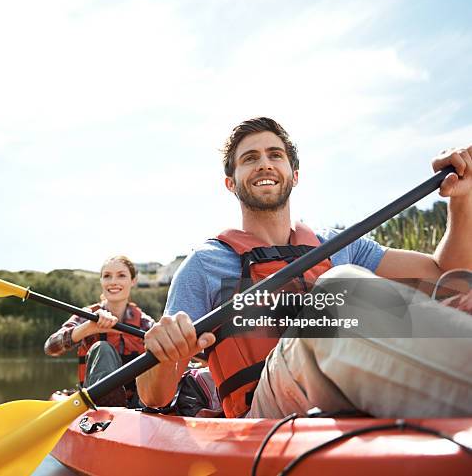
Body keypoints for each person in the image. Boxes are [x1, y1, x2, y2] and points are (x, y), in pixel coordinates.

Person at [137, 117, 472, 419]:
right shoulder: (204, 265)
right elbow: (154, 395)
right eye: (249, 158)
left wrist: (462, 197)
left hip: (353, 381)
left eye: (275, 155)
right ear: (231, 182)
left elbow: (449, 276)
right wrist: (166, 353)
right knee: (340, 287)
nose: (264, 164)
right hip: (268, 411)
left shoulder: (341, 245)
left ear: (294, 175)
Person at [45, 255, 154, 407]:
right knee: (103, 348)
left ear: (133, 281)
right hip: (97, 399)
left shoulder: (144, 322)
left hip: (139, 401)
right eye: (107, 276)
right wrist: (88, 328)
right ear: (101, 281)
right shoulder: (88, 315)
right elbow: (51, 347)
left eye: (121, 275)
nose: (113, 282)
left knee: (155, 357)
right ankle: (108, 403)